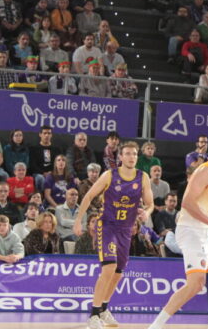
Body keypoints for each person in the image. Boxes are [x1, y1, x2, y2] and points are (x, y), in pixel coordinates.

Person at [148, 134, 208, 329]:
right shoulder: (205, 170)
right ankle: (155, 326)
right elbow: (187, 202)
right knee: (195, 284)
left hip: (205, 232)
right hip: (190, 230)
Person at [73, 141, 154, 329]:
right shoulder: (110, 175)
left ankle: (103, 309)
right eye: (127, 153)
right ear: (121, 157)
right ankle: (93, 316)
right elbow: (88, 196)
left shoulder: (143, 177)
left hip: (126, 230)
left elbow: (149, 204)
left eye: (134, 154)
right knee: (109, 268)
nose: (131, 157)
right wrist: (78, 221)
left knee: (118, 273)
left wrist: (147, 213)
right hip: (107, 226)